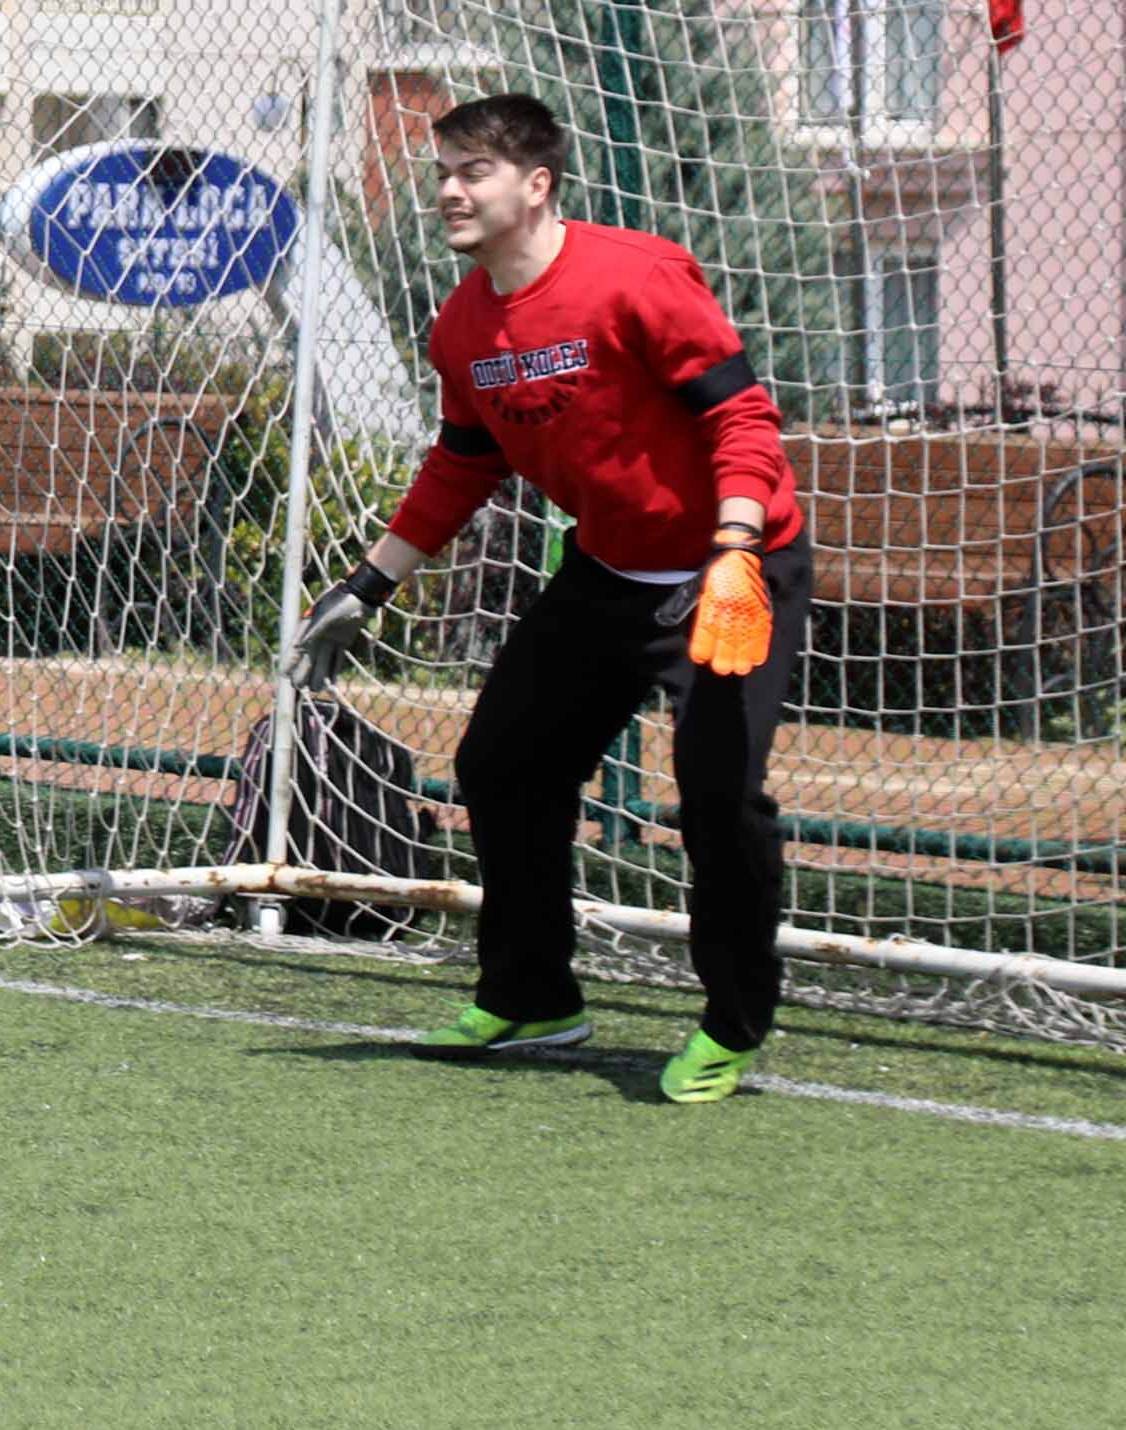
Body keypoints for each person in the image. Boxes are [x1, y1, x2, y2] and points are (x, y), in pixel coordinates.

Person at [298, 92, 807, 1105]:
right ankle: (533, 995)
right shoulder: (463, 327)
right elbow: (462, 463)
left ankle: (733, 1018)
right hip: (609, 574)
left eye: (472, 171)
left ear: (535, 185)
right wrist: (369, 582)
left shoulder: (637, 278)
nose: (447, 189)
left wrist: (738, 547)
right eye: (442, 170)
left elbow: (743, 420)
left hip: (732, 569)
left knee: (717, 800)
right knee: (503, 762)